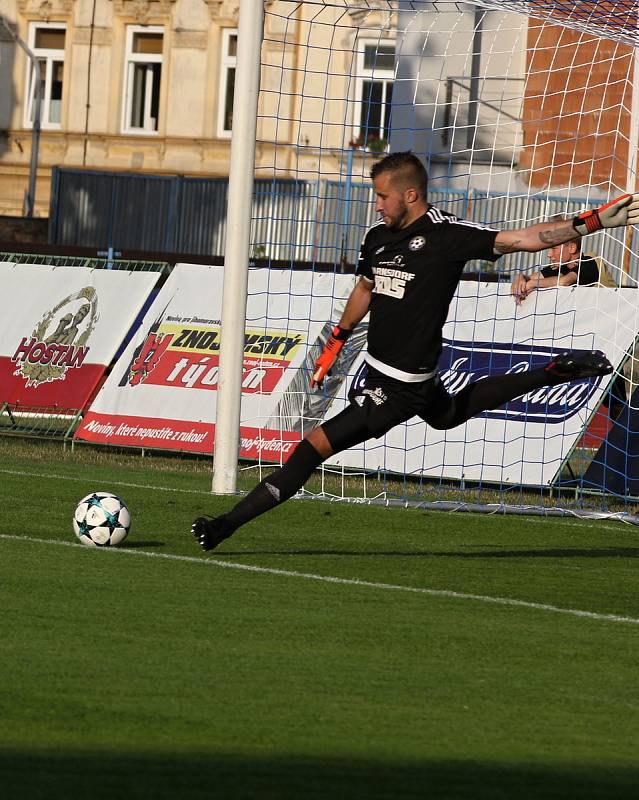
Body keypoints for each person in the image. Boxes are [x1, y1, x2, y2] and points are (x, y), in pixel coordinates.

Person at [192, 151, 639, 551]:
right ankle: (553, 372)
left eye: (383, 196)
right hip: (394, 374)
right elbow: (365, 287)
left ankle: (224, 526)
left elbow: (521, 239)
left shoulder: (447, 235)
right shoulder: (377, 237)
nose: (377, 204)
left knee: (310, 450)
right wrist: (336, 342)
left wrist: (595, 221)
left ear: (410, 194)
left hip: (399, 387)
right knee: (447, 414)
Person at [511, 236, 614, 304]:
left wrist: (532, 284)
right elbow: (530, 278)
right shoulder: (562, 265)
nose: (549, 254)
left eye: (554, 249)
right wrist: (520, 278)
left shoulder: (588, 262)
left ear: (572, 248)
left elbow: (564, 281)